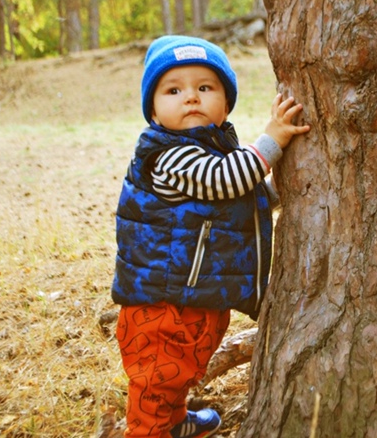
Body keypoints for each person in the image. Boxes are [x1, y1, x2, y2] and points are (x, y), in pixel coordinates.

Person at [111, 35, 310, 438]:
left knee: (180, 370)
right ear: (153, 109)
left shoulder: (208, 148)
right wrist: (272, 141)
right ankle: (150, 431)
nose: (191, 98)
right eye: (173, 90)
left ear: (225, 104)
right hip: (161, 307)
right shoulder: (167, 154)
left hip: (191, 297)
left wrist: (282, 190)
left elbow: (232, 201)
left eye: (205, 87)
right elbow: (223, 181)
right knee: (156, 381)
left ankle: (174, 420)